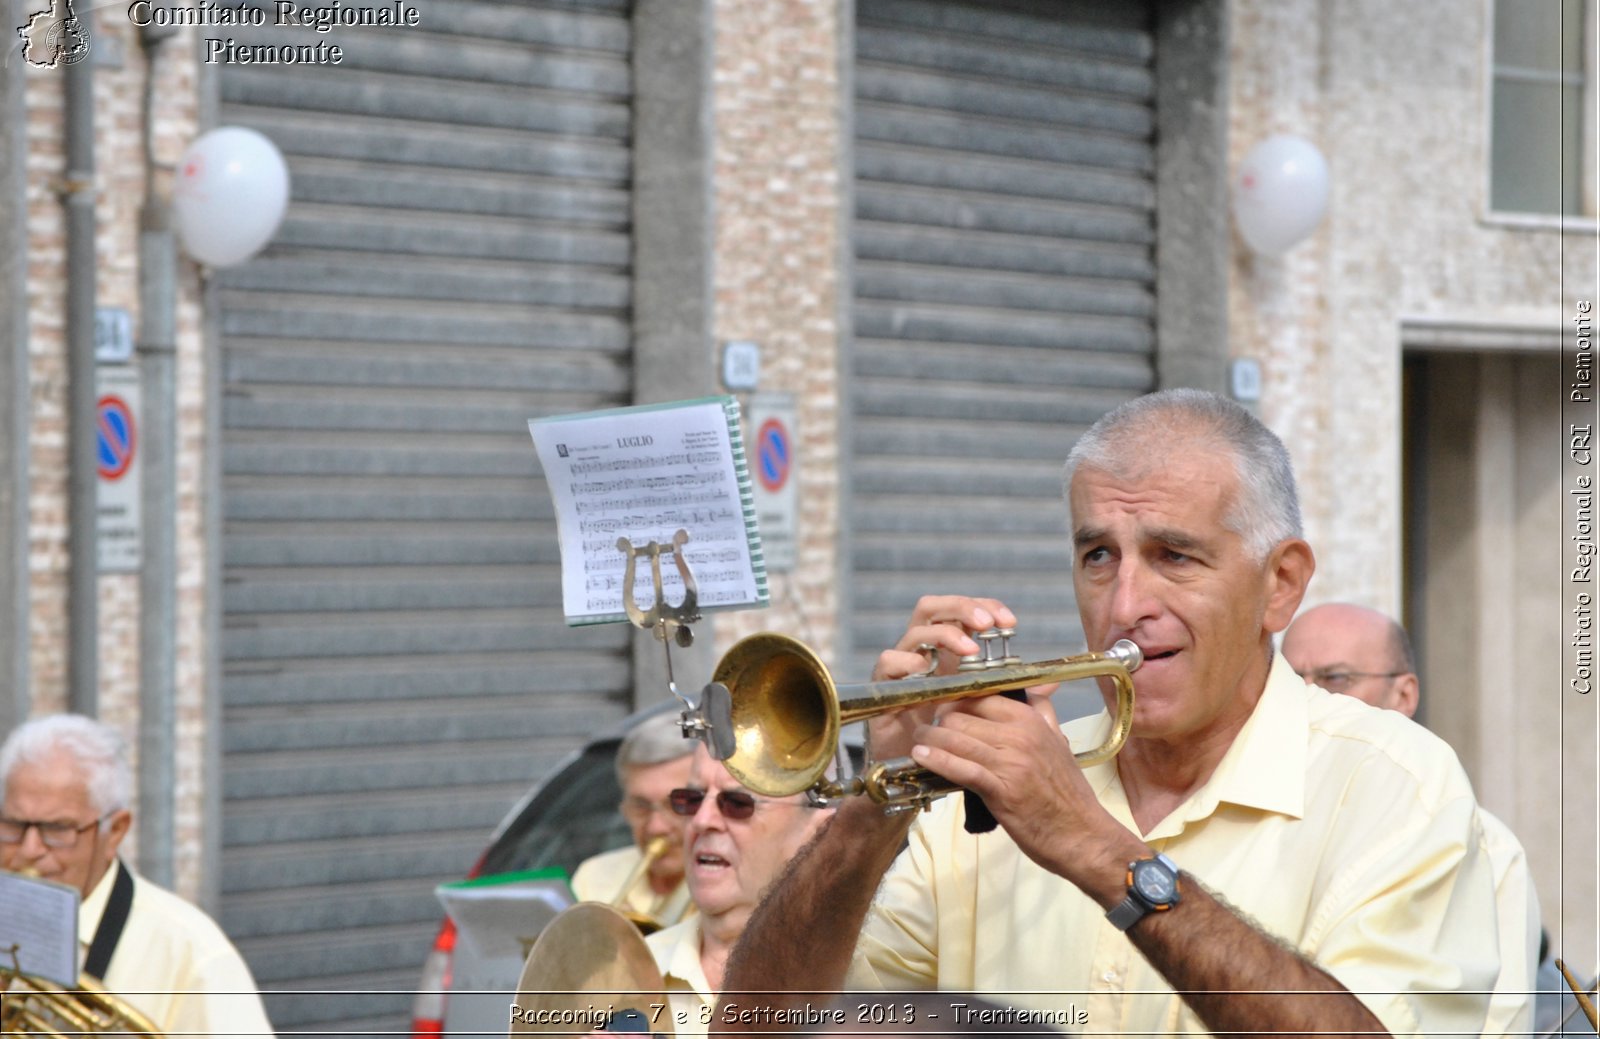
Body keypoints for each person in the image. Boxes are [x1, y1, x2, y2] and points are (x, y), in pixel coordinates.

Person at [714, 389, 1504, 1037]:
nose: (1126, 606)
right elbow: (758, 1030)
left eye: (1175, 556)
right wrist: (873, 807)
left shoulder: (1399, 783)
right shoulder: (984, 798)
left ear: (1281, 584)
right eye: (1098, 556)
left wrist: (1089, 842)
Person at [1281, 602, 1541, 1037]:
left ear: (1404, 695)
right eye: (1289, 682)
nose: (1306, 697)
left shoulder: (1486, 849)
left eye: (1335, 678)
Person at [0, 713, 274, 1038]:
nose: (29, 850)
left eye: (58, 829)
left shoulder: (195, 955)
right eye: (13, 825)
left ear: (114, 832)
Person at [646, 743, 834, 1037]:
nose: (701, 821)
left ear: (818, 832)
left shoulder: (875, 973)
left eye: (737, 803)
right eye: (691, 800)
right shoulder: (622, 972)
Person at [570, 711, 697, 928]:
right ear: (624, 808)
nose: (656, 827)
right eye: (641, 806)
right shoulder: (592, 876)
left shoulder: (725, 884)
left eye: (676, 804)